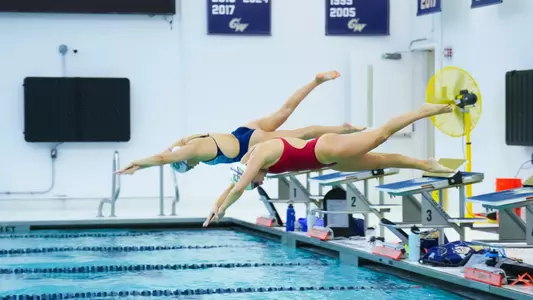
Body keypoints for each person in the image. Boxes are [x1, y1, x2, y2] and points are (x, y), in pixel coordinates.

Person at [203, 103, 456, 227]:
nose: (260, 183)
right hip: (330, 163)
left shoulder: (258, 156)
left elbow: (237, 189)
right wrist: (214, 209)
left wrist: (224, 211)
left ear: (250, 171)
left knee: (380, 136)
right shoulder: (251, 166)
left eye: (255, 182)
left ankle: (425, 111)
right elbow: (233, 186)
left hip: (326, 148)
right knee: (382, 160)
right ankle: (426, 164)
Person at [116, 71, 366, 175]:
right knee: (285, 111)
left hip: (250, 141)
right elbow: (168, 151)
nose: (192, 168)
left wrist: (138, 164)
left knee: (305, 133)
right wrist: (166, 152)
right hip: (242, 132)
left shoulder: (195, 151)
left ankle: (345, 130)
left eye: (188, 167)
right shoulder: (188, 142)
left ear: (184, 160)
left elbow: (162, 158)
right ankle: (316, 82)